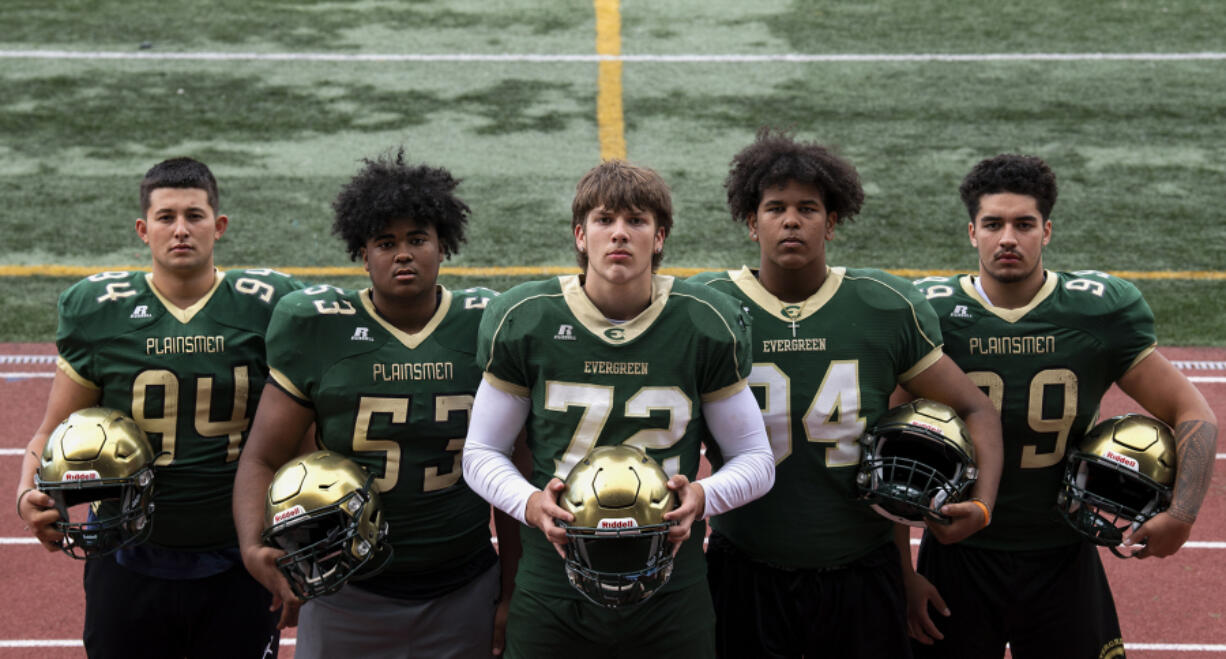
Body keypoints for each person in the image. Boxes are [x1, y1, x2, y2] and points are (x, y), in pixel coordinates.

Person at [689, 129, 1003, 659]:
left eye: (808, 208)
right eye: (775, 208)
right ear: (751, 222)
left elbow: (975, 407)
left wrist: (982, 503)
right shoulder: (707, 308)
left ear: (832, 222)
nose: (791, 220)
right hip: (743, 565)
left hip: (861, 568)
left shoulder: (883, 305)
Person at [905, 153, 1219, 658]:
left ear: (1046, 232)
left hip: (1063, 551)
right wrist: (903, 573)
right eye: (993, 224)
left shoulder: (1096, 310)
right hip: (956, 554)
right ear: (972, 233)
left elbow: (1193, 412)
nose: (1008, 238)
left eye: (1023, 224)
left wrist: (1182, 514)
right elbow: (882, 438)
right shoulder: (927, 313)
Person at [462, 159, 776, 657]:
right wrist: (528, 504)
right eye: (605, 220)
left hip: (670, 582)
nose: (620, 234)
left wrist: (701, 495)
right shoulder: (527, 318)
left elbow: (757, 461)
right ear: (580, 235)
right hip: (555, 578)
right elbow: (480, 452)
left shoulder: (704, 321)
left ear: (661, 236)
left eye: (637, 221)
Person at [232, 149, 519, 658]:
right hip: (346, 587)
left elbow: (513, 470)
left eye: (417, 239)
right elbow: (263, 455)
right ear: (362, 253)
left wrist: (513, 588)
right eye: (386, 243)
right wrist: (256, 547)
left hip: (463, 584)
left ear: (443, 245)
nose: (402, 254)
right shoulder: (317, 326)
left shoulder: (487, 324)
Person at [14, 157, 303, 658]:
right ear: (144, 231)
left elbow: (301, 439)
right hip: (125, 551)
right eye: (166, 217)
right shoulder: (101, 311)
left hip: (238, 551)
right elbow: (51, 432)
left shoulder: (269, 307)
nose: (181, 229)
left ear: (220, 226)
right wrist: (26, 496)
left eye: (194, 215)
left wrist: (296, 547)